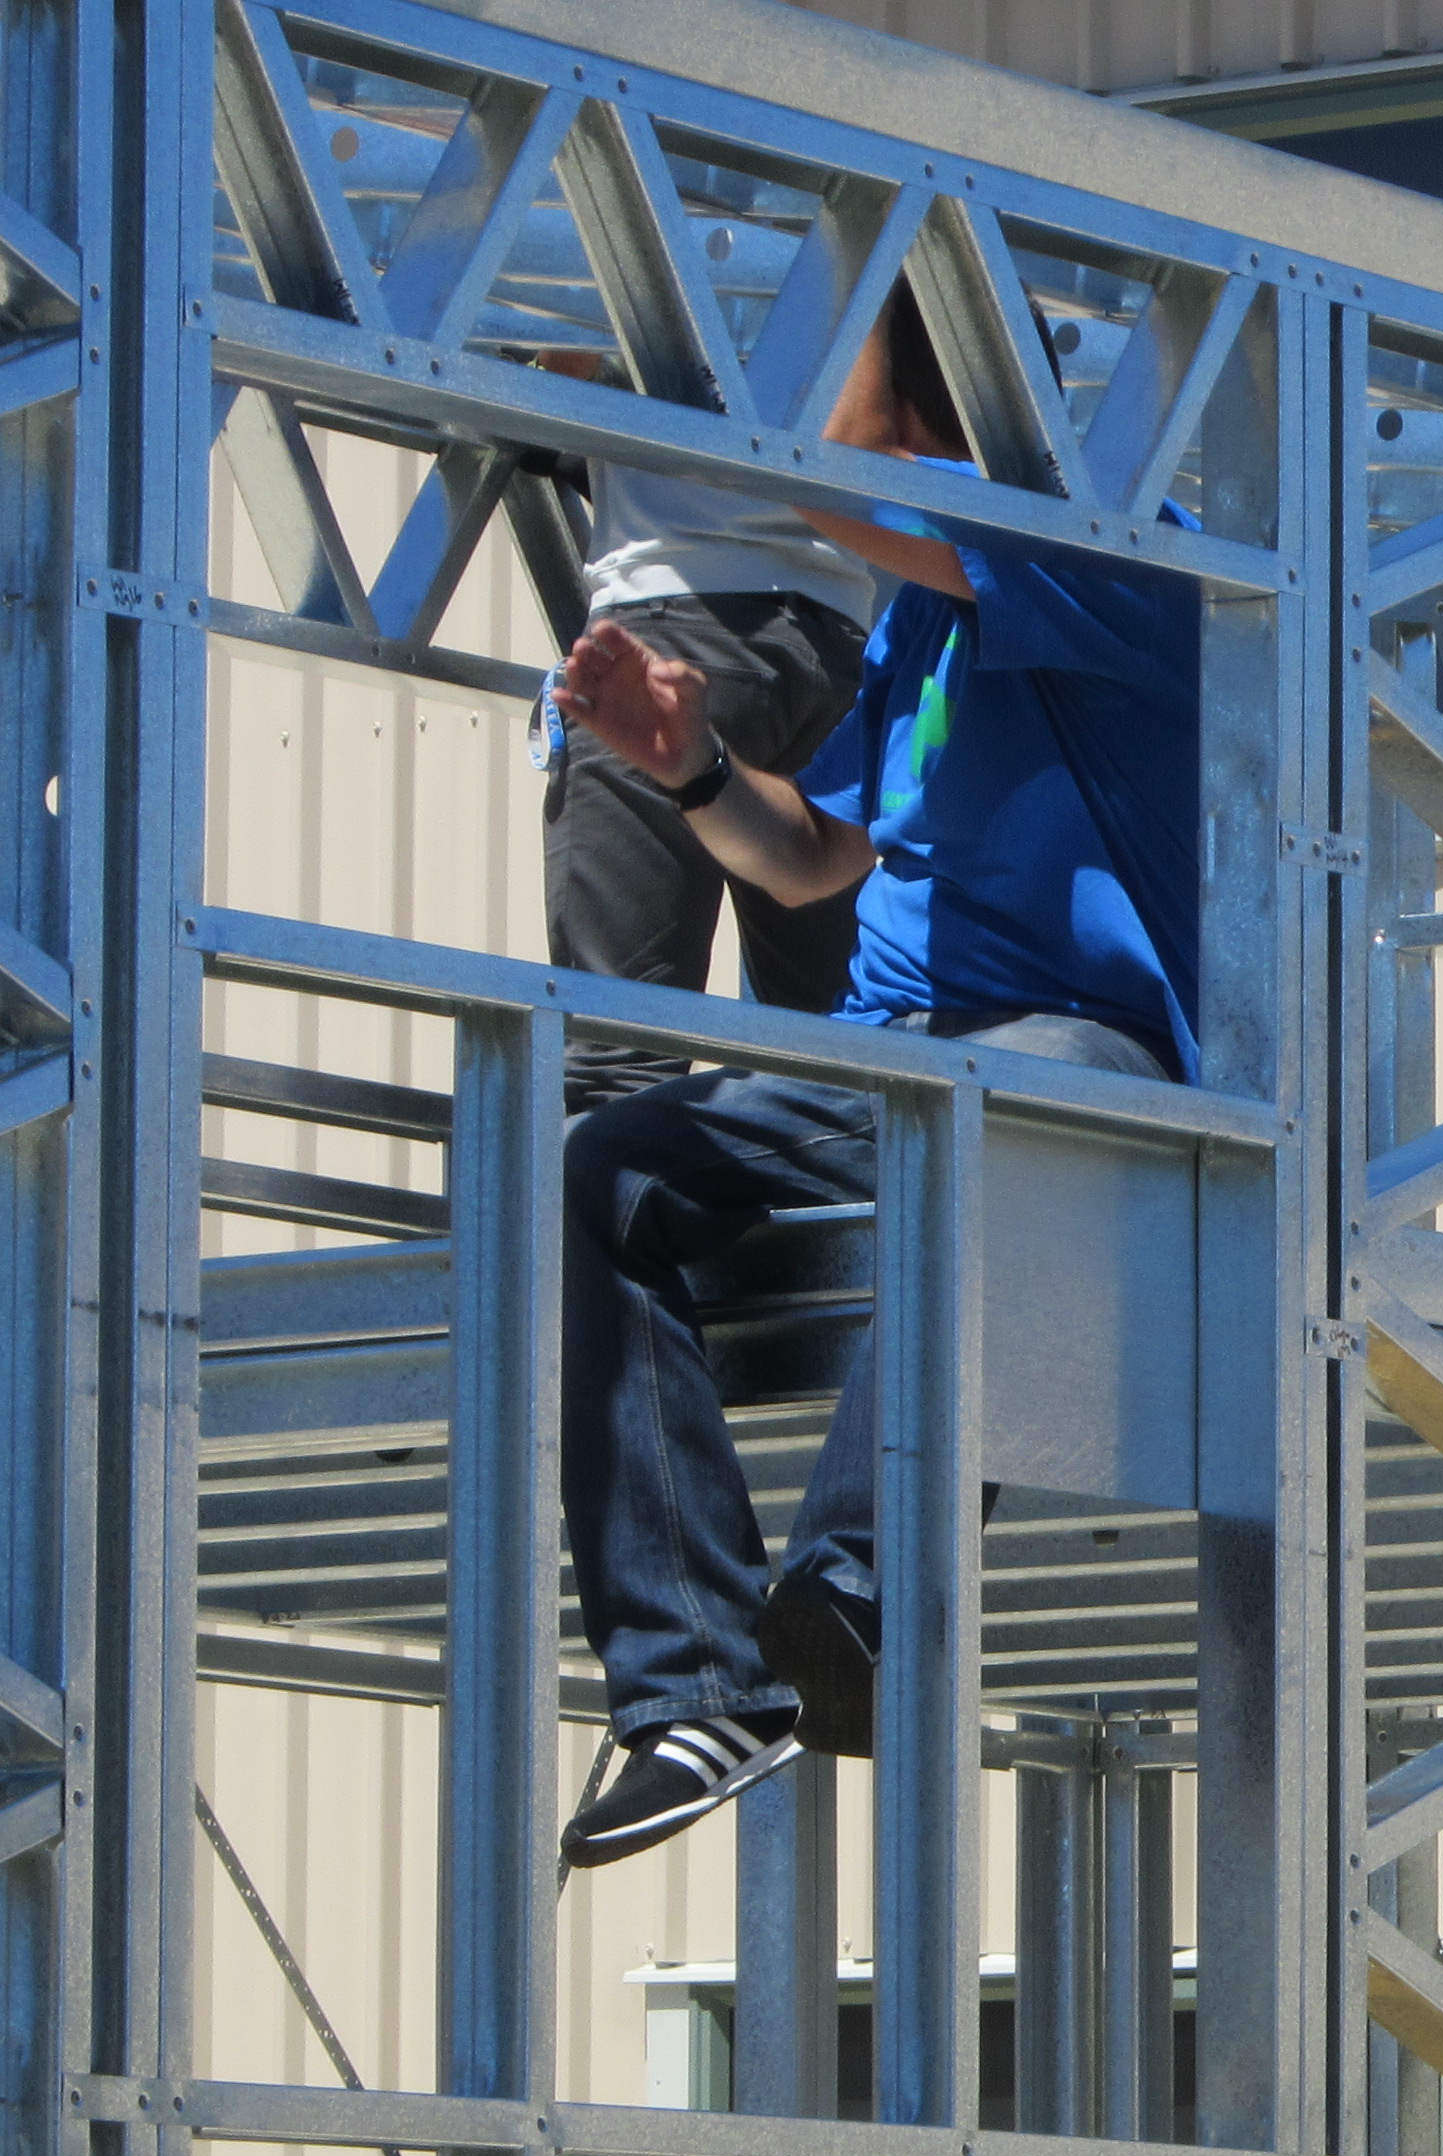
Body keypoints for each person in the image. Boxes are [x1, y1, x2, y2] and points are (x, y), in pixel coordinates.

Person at [547, 287, 1199, 1869]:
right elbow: (809, 857)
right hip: (898, 1064)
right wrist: (689, 766)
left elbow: (835, 476)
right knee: (606, 1166)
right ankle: (698, 1689)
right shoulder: (916, 621)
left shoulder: (1116, 546)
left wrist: (856, 289)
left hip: (1077, 1059)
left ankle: (859, 1590)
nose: (805, 397)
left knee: (992, 1107)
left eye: (839, 355)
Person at [536, 416, 880, 1110]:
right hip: (840, 636)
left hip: (673, 618)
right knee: (829, 1076)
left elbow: (558, 370)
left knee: (617, 1062)